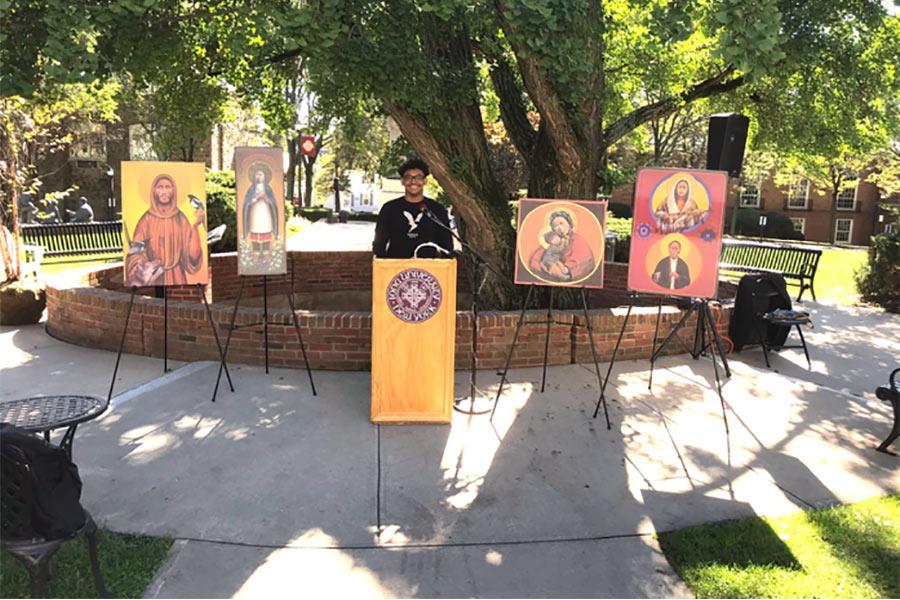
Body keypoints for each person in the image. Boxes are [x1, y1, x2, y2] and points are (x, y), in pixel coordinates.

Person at [125, 174, 205, 286]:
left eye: (168, 187)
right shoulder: (146, 220)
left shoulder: (181, 219)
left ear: (174, 191)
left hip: (177, 277)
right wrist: (143, 264)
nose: (164, 191)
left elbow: (193, 256)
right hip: (154, 276)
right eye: (160, 187)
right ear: (154, 191)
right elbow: (135, 252)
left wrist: (195, 227)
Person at [372, 158, 453, 258]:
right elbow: (379, 245)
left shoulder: (437, 209)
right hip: (396, 269)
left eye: (418, 177)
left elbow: (447, 246)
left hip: (429, 270)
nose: (413, 181)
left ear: (425, 181)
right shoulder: (389, 209)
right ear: (402, 181)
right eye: (408, 177)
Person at [527, 209, 595, 282]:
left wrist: (566, 268)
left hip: (567, 271)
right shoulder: (553, 240)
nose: (559, 228)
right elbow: (537, 257)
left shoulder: (578, 240)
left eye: (561, 223)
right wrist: (544, 266)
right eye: (555, 226)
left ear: (569, 224)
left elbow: (583, 258)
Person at [241, 165, 279, 252]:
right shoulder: (251, 189)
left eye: (261, 174)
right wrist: (254, 199)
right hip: (255, 213)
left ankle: (266, 249)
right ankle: (256, 249)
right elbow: (246, 203)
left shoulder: (268, 188)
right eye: (257, 174)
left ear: (265, 176)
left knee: (266, 229)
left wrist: (266, 198)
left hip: (266, 213)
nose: (259, 176)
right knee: (255, 229)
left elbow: (273, 203)